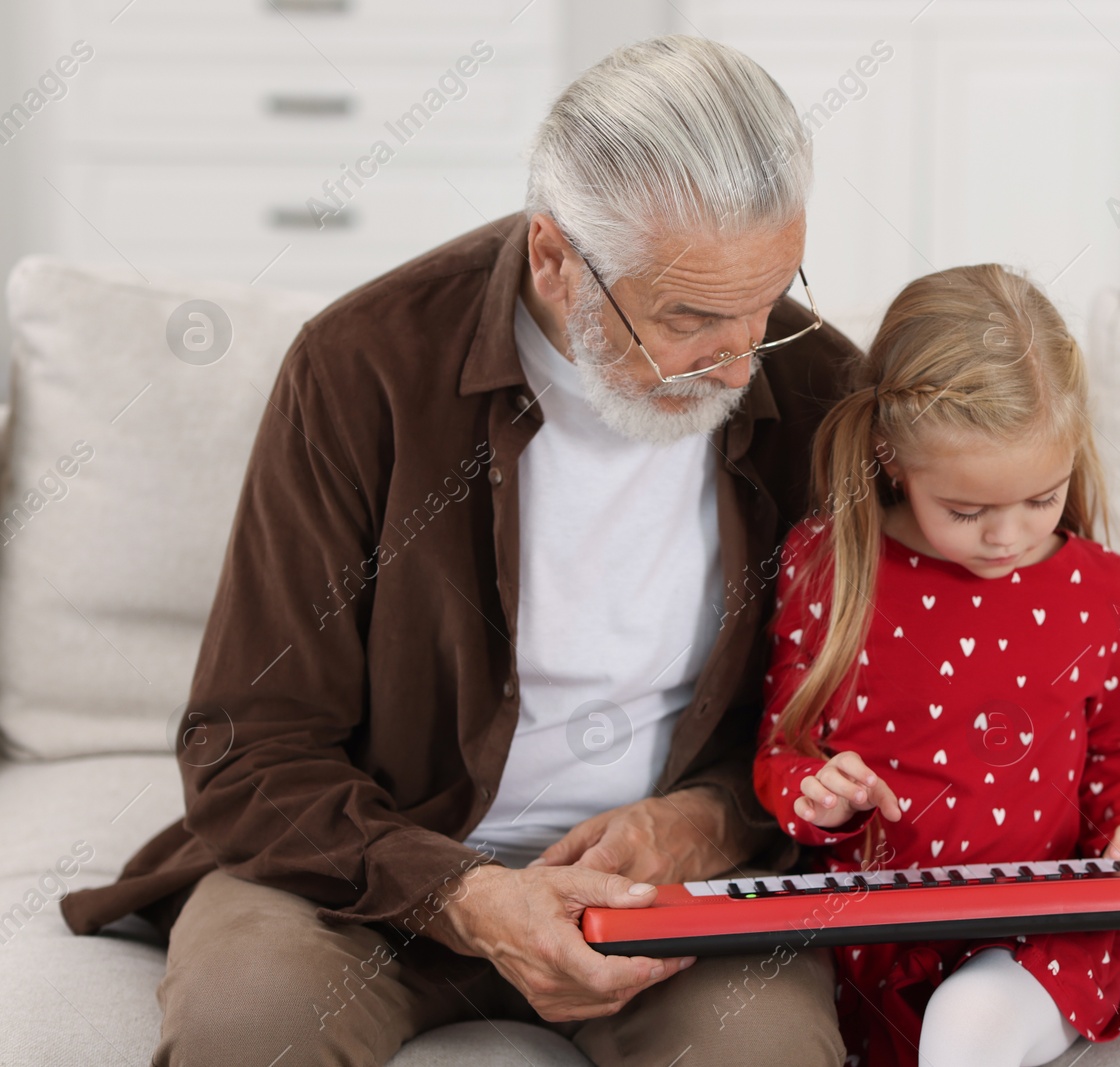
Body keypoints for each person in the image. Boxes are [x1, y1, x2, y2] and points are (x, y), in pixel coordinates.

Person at [60, 36, 856, 1067]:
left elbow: (860, 717)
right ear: (554, 257)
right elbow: (246, 743)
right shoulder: (364, 368)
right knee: (246, 1030)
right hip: (368, 881)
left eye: (764, 304)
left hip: (673, 898)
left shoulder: (816, 385)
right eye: (691, 318)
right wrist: (466, 895)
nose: (741, 363)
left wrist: (713, 820)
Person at [753, 264, 1120, 1067]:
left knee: (967, 1027)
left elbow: (1113, 750)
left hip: (1046, 925)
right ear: (892, 457)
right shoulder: (827, 568)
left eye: (1042, 499)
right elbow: (781, 754)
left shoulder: (1095, 586)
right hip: (879, 933)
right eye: (967, 512)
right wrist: (819, 798)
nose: (1008, 537)